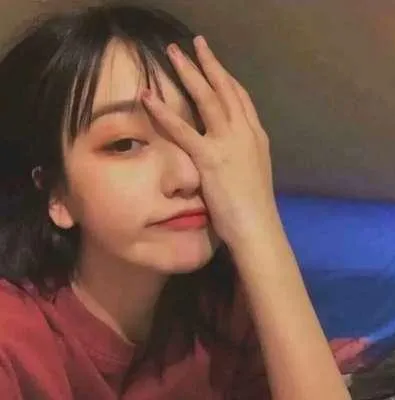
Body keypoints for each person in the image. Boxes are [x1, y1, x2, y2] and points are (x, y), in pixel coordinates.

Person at [0, 4, 350, 399]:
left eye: (198, 134)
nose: (187, 176)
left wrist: (258, 226)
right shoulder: (13, 342)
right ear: (55, 193)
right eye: (125, 143)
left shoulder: (224, 309)